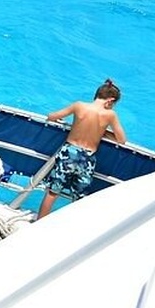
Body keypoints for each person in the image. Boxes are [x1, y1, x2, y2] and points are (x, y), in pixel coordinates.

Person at [37, 79, 127, 219]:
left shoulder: (79, 106)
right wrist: (103, 132)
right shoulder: (110, 115)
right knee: (79, 199)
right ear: (110, 100)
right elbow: (121, 139)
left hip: (68, 153)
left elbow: (52, 116)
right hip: (87, 159)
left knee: (52, 192)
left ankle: (38, 223)